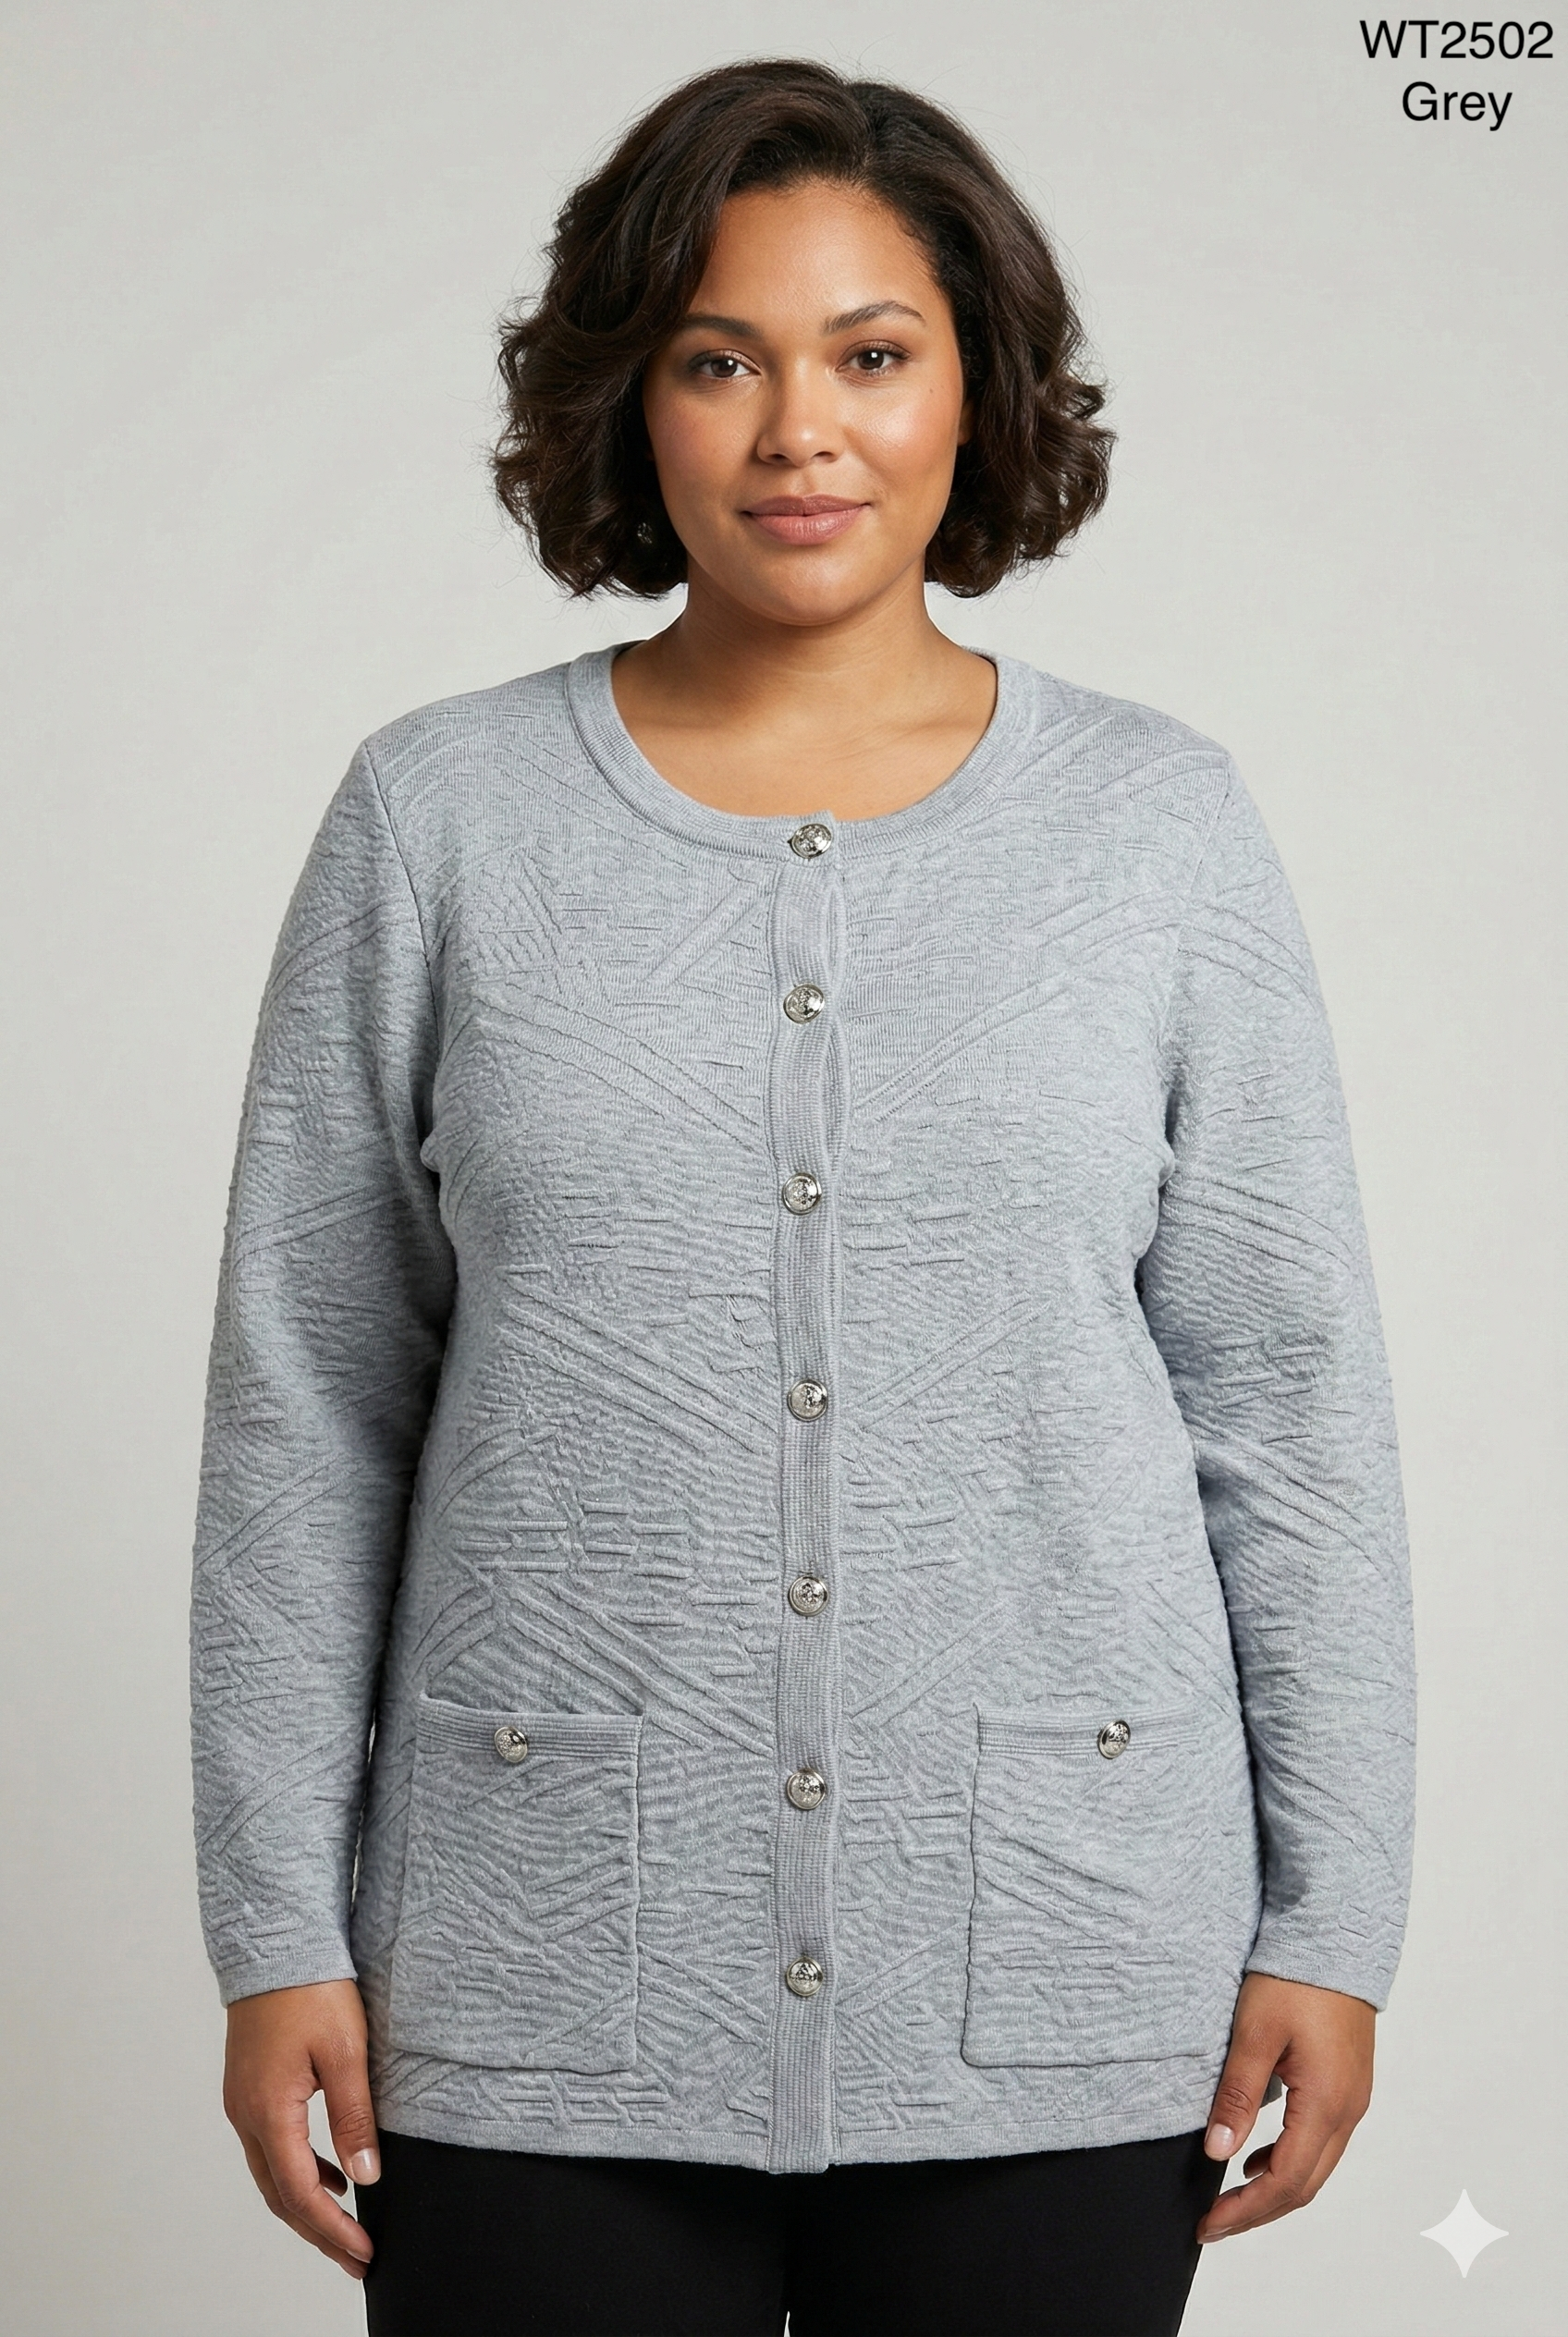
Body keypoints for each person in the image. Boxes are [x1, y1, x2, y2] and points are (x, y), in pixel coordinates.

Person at [191, 57, 1417, 2337]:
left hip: (1058, 1957)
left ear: (975, 387)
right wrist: (273, 1930)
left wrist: (1330, 1920)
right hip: (536, 1967)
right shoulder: (437, 822)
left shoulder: (1157, 831)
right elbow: (310, 1406)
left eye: (868, 353)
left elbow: (1286, 1406)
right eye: (716, 360)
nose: (797, 433)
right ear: (627, 401)